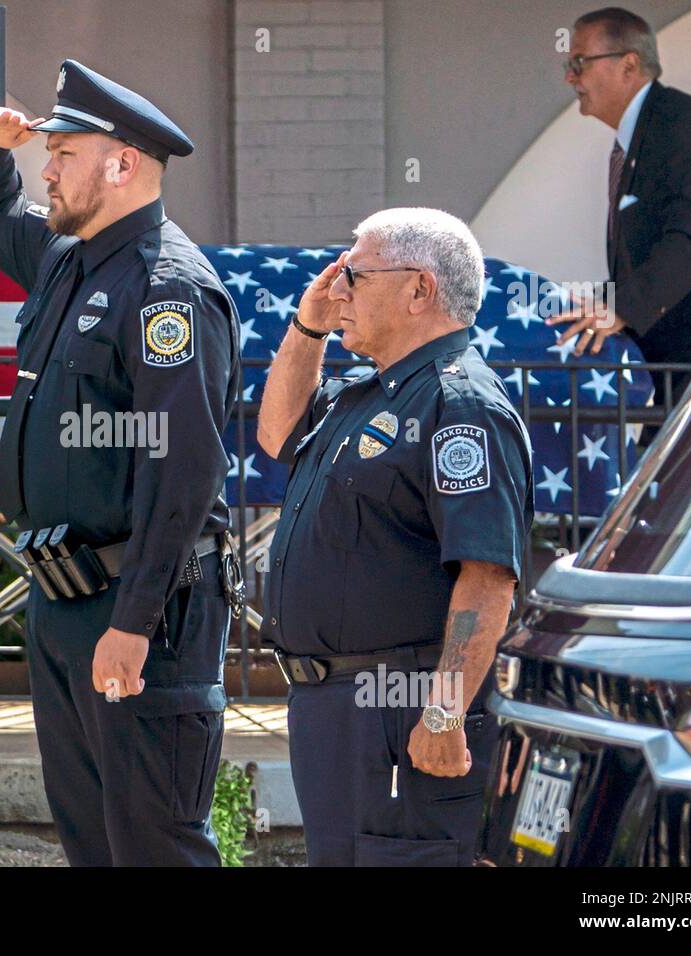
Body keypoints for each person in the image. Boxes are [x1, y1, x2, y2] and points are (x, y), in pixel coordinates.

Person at [0, 60, 242, 865]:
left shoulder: (166, 291)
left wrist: (133, 621)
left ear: (122, 165)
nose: (46, 168)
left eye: (65, 153)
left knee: (155, 843)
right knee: (91, 841)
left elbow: (182, 475)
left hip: (139, 605)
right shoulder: (67, 257)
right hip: (65, 600)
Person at [256, 207, 532, 866]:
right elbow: (276, 435)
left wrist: (443, 711)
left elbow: (487, 575)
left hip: (399, 707)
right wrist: (306, 327)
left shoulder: (457, 403)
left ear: (419, 290)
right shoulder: (370, 395)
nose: (338, 289)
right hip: (335, 711)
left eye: (355, 275)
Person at [550, 6, 691, 406]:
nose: (570, 77)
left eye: (579, 62)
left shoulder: (685, 129)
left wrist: (620, 308)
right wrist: (586, 307)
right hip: (675, 367)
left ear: (628, 65)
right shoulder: (647, 131)